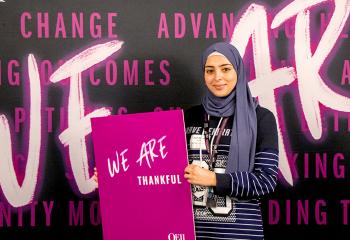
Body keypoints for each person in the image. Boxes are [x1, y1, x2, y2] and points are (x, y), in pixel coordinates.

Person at [183, 42, 279, 240]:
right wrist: (111, 178)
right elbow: (162, 172)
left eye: (225, 69)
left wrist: (215, 180)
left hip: (240, 235)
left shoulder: (261, 118)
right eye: (210, 71)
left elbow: (266, 181)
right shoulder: (188, 117)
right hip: (191, 233)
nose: (217, 77)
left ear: (238, 71)